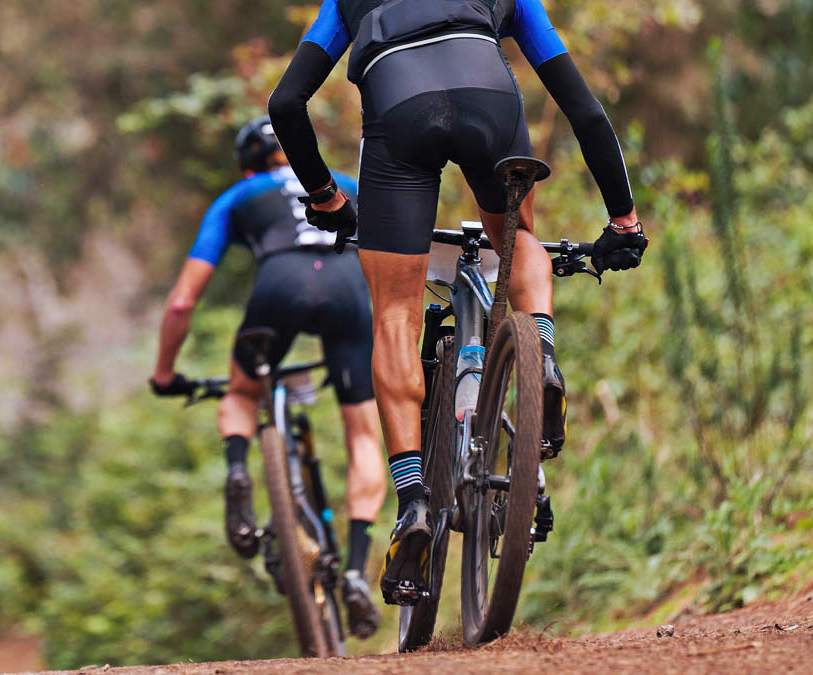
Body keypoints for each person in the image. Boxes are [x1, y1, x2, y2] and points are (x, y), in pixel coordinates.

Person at [267, 0, 649, 604]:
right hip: (487, 93)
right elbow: (585, 109)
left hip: (397, 108)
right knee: (517, 239)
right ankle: (541, 356)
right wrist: (623, 221)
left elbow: (285, 104)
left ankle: (414, 500)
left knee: (394, 313)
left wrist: (325, 197)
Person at [149, 116, 387, 638]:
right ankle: (355, 571)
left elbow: (183, 300)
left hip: (279, 284)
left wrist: (165, 373)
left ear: (248, 162)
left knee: (240, 394)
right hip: (349, 291)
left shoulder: (239, 196)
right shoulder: (345, 184)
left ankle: (238, 472)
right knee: (364, 433)